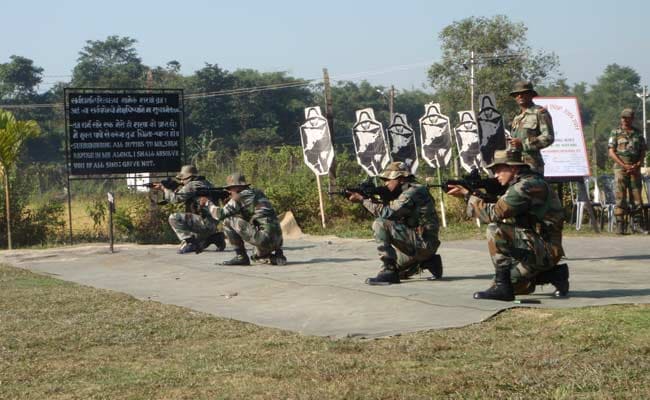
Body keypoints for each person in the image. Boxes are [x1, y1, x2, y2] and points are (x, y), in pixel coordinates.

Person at [446, 148, 569, 301]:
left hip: (545, 249)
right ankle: (555, 274)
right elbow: (505, 207)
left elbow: (494, 213)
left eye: (498, 169)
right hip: (538, 247)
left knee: (495, 230)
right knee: (516, 284)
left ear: (512, 167)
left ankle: (503, 289)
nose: (495, 175)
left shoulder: (526, 186)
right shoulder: (526, 182)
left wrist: (467, 196)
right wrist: (479, 195)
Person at [346, 162, 442, 285]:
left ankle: (389, 270)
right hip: (423, 243)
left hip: (422, 243)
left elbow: (388, 213)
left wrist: (362, 200)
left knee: (380, 224)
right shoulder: (412, 189)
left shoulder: (413, 191)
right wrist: (371, 199)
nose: (385, 183)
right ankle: (428, 261)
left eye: (387, 180)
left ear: (400, 179)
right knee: (400, 272)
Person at [199, 173, 286, 266]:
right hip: (278, 240)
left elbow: (220, 215)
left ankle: (241, 257)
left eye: (229, 189)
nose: (228, 191)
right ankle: (277, 257)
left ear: (237, 187)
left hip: (264, 238)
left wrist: (207, 203)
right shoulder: (258, 192)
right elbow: (250, 216)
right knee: (255, 256)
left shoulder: (240, 197)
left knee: (227, 221)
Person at [156, 165, 226, 254]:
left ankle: (189, 242)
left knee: (173, 218)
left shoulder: (192, 185)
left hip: (204, 222)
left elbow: (175, 199)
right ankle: (216, 237)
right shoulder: (206, 182)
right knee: (200, 244)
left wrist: (164, 189)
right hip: (212, 223)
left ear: (189, 177)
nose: (181, 181)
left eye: (183, 179)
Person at [608, 108, 649, 235]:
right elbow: (611, 152)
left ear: (632, 119)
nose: (625, 120)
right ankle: (620, 225)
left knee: (636, 196)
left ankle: (637, 224)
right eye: (623, 117)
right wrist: (624, 165)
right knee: (620, 196)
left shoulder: (638, 134)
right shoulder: (615, 132)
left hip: (635, 169)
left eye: (627, 118)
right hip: (621, 168)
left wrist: (638, 164)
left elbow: (643, 151)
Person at [508, 81, 555, 175]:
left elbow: (548, 137)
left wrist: (523, 144)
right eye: (517, 94)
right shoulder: (517, 117)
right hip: (516, 164)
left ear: (531, 95)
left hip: (532, 166)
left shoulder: (540, 112)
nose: (520, 96)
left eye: (523, 93)